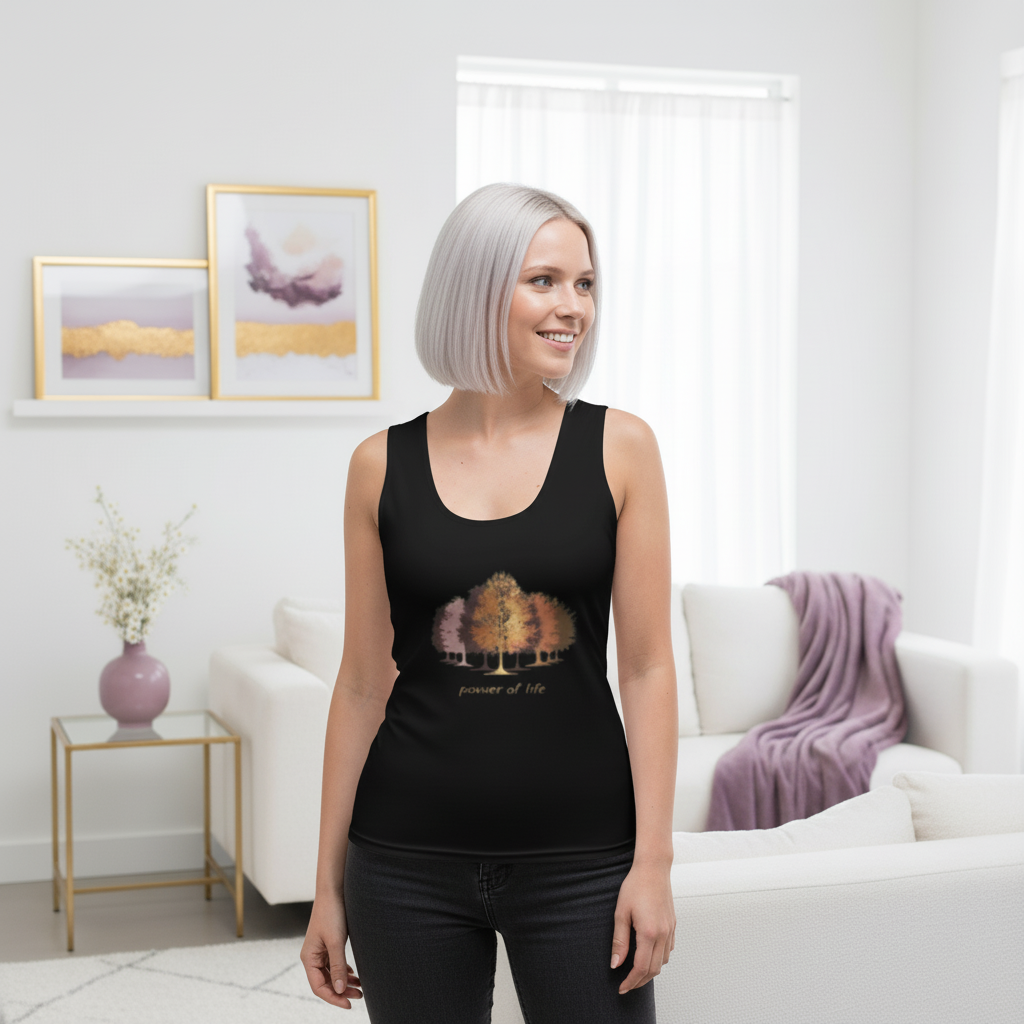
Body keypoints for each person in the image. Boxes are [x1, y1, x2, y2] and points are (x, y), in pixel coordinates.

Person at [300, 182, 678, 1024]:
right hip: (402, 862)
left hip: (584, 863)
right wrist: (326, 887)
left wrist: (651, 862)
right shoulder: (378, 466)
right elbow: (364, 683)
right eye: (544, 281)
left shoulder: (622, 449)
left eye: (585, 284)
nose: (572, 307)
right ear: (477, 287)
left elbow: (649, 666)